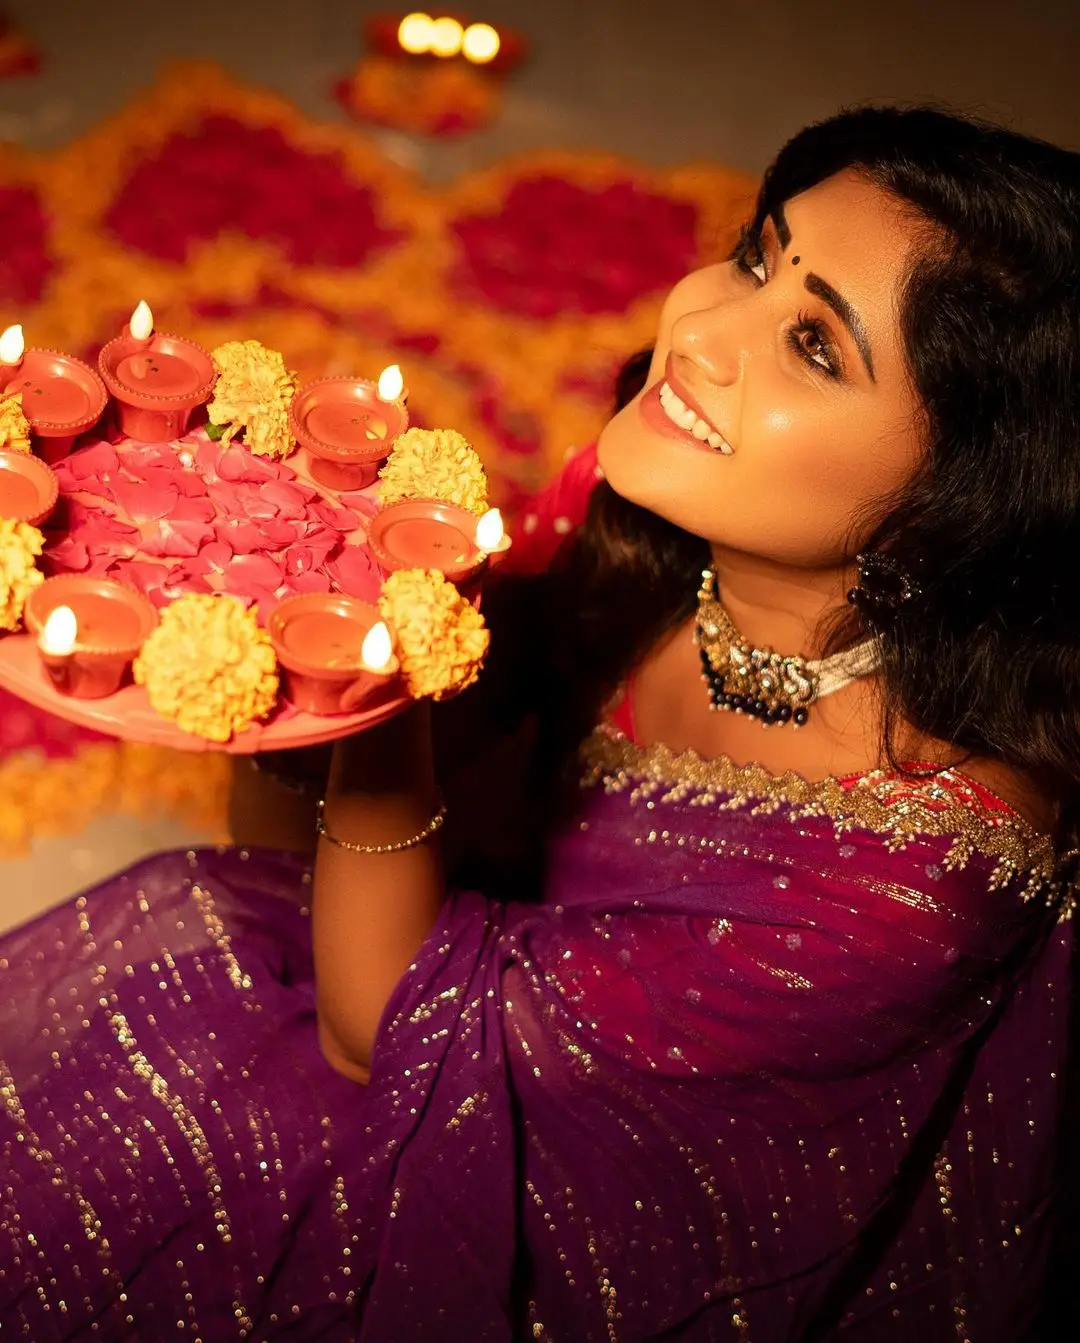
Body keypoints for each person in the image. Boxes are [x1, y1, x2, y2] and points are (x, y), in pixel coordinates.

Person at [1, 105, 1077, 1341]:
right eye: (755, 257)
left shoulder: (901, 888)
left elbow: (377, 1032)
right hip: (465, 965)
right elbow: (301, 824)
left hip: (582, 1215)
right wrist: (281, 607)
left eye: (815, 348)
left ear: (961, 511)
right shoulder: (667, 509)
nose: (700, 330)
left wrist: (380, 675)